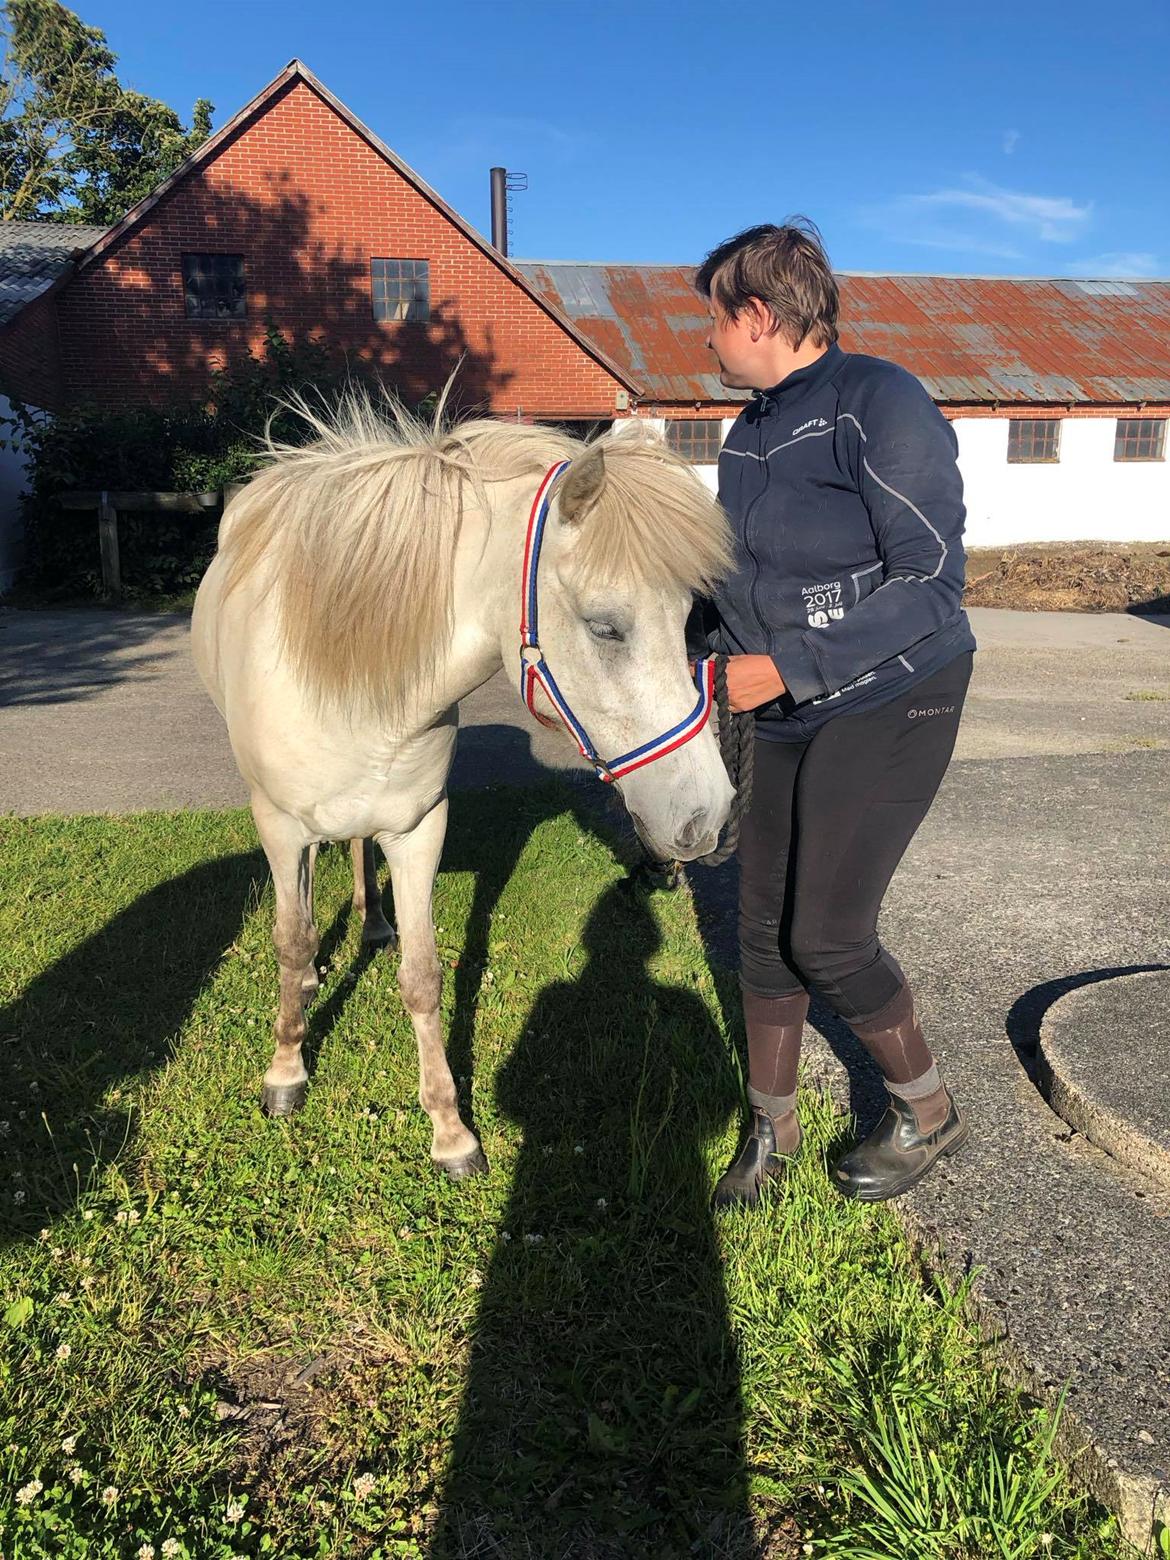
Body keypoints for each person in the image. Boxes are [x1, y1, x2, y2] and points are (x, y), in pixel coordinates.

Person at [691, 219, 977, 1208]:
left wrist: (790, 665)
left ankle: (927, 1109)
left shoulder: (880, 402)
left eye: (714, 321)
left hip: (899, 690)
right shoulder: (752, 433)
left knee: (829, 936)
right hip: (790, 701)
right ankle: (770, 1131)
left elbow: (934, 580)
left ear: (758, 315)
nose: (709, 341)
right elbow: (739, 582)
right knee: (762, 929)